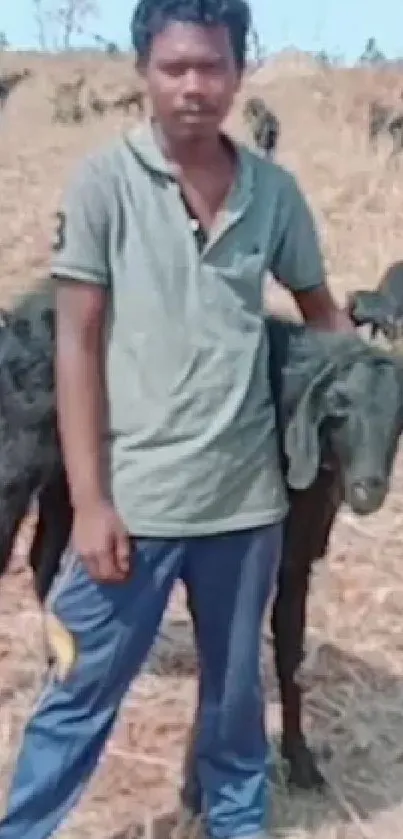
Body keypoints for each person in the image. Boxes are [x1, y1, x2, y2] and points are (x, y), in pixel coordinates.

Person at [0, 1, 353, 838]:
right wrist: (89, 501)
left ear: (240, 69)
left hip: (243, 508)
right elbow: (78, 343)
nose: (194, 86)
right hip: (135, 504)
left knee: (233, 717)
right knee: (77, 695)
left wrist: (367, 388)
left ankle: (234, 825)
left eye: (212, 66)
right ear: (143, 73)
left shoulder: (274, 194)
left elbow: (322, 320)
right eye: (175, 68)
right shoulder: (103, 183)